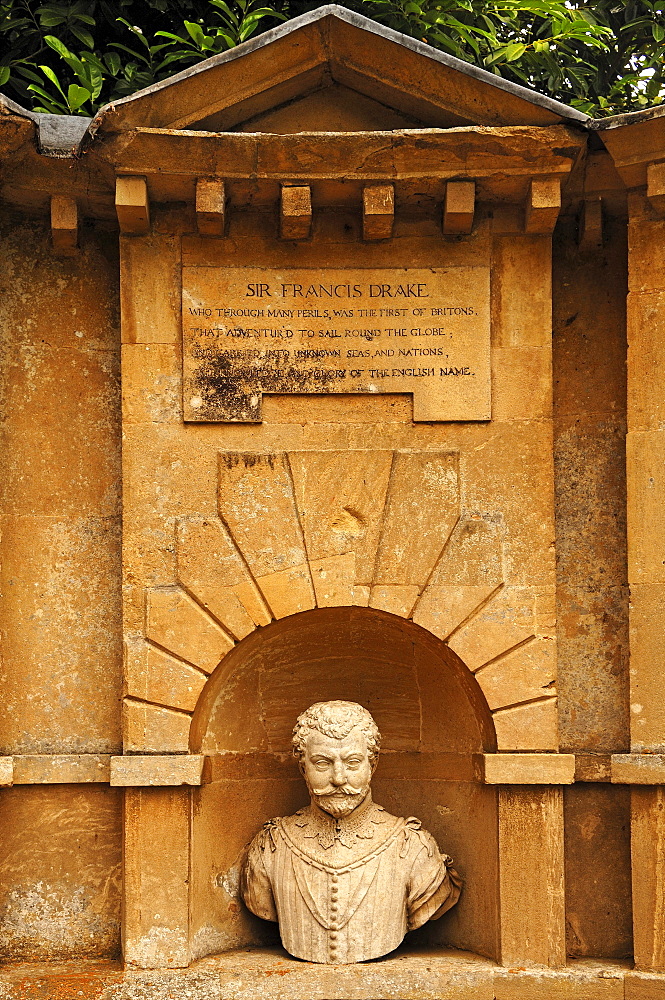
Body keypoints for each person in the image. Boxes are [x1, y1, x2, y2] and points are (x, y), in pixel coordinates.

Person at [241, 700, 461, 964]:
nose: (338, 778)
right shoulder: (272, 845)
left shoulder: (413, 847)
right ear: (303, 767)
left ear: (373, 764)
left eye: (353, 762)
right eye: (322, 763)